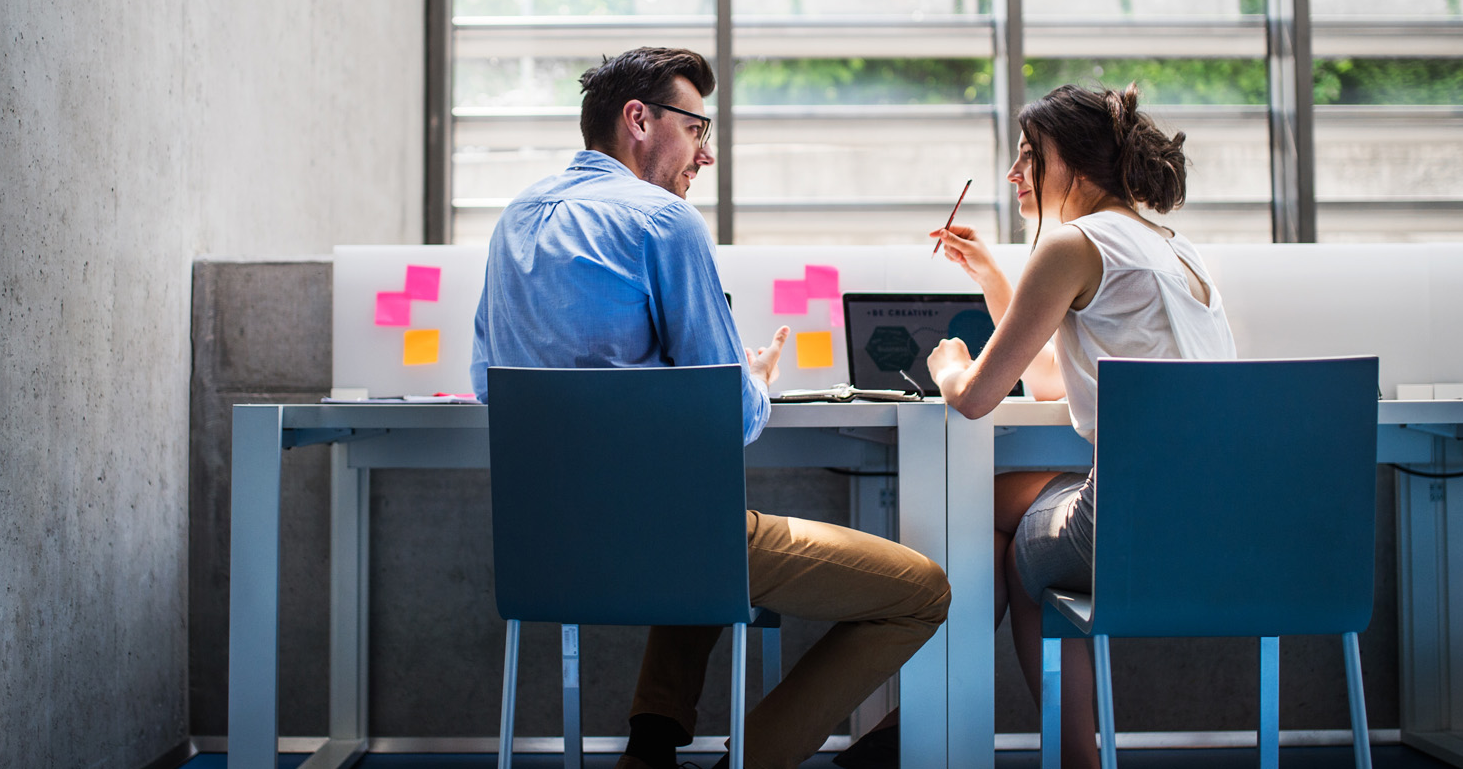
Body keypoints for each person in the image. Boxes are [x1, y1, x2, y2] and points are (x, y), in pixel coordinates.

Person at [470, 47, 951, 769]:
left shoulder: (515, 221)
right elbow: (729, 418)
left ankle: (652, 747)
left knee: (695, 504)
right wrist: (751, 379)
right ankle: (753, 760)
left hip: (544, 546)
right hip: (664, 543)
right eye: (697, 129)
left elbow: (487, 383)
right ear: (639, 119)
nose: (708, 154)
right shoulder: (663, 222)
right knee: (922, 592)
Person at [919, 83, 1235, 769]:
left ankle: (932, 725)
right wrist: (993, 277)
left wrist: (948, 366)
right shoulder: (1173, 249)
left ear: (1077, 164)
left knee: (992, 532)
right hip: (1228, 522)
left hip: (1136, 523)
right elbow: (1051, 381)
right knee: (997, 502)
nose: (1013, 175)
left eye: (1029, 155)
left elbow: (975, 400)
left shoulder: (1072, 245)